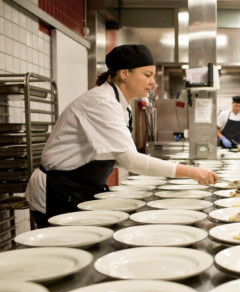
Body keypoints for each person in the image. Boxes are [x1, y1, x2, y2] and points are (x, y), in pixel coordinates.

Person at [25, 44, 219, 228]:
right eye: (147, 74)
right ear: (125, 74)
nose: (153, 81)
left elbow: (113, 156)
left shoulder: (121, 105)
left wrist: (158, 167)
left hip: (80, 188)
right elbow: (130, 160)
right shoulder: (102, 102)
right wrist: (192, 172)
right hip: (58, 190)